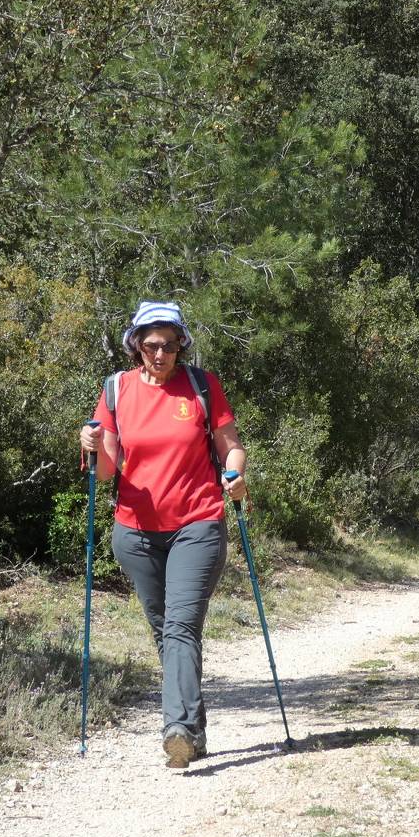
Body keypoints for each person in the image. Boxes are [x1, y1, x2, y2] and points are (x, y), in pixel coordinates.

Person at [80, 300, 247, 769]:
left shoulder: (201, 386)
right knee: (169, 633)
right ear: (136, 345)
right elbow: (108, 472)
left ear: (180, 346)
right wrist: (92, 446)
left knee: (180, 627)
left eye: (169, 346)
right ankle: (194, 727)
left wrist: (235, 475)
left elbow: (231, 446)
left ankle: (178, 729)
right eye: (151, 345)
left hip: (198, 521)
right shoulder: (117, 390)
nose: (160, 354)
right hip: (135, 534)